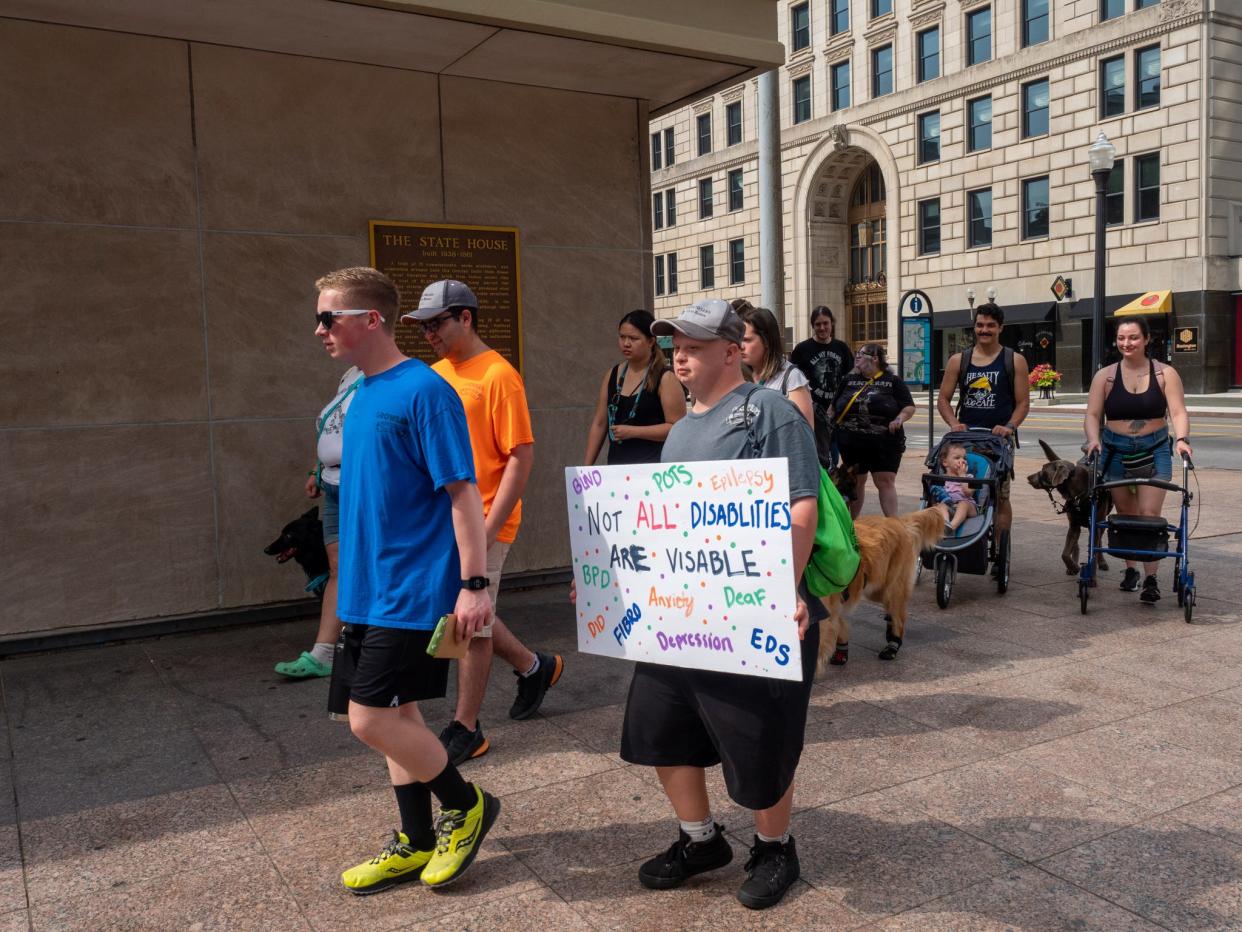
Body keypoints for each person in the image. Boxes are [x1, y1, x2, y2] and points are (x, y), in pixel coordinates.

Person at [621, 298, 823, 910]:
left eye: (694, 344)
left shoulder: (768, 413)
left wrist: (782, 589)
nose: (679, 353)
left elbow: (801, 506)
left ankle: (774, 847)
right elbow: (663, 525)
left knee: (759, 737)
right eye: (674, 343)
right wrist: (616, 578)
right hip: (679, 615)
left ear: (732, 351)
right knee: (661, 728)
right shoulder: (681, 429)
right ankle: (699, 839)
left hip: (753, 611)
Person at [314, 267, 498, 895]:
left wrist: (474, 584)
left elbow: (463, 492)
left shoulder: (425, 391)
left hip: (410, 590)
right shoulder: (362, 393)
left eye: (328, 318)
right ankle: (416, 841)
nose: (319, 330)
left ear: (370, 320)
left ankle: (465, 805)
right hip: (366, 590)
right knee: (400, 715)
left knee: (369, 720)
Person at [407, 279, 563, 765]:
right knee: (471, 612)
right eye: (424, 325)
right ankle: (534, 666)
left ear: (466, 317)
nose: (429, 332)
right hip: (442, 521)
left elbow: (521, 456)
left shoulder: (498, 375)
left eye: (437, 323)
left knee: (469, 625)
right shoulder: (434, 375)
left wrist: (491, 529)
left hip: (485, 518)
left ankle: (466, 727)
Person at [1084, 316, 1192, 604]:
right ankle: (1131, 570)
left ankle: (1151, 578)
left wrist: (1181, 439)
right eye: (1121, 338)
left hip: (1153, 447)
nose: (1126, 343)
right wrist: (1093, 439)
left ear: (1146, 339)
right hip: (1115, 449)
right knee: (1126, 514)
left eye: (1133, 337)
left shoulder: (1165, 374)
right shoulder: (1105, 376)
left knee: (1148, 515)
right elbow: (1093, 415)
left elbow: (1178, 411)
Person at [274, 365, 362, 678]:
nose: (323, 332)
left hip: (362, 481)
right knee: (337, 567)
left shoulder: (392, 372)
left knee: (375, 563)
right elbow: (333, 428)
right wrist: (316, 469)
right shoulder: (350, 374)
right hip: (333, 482)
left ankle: (387, 644)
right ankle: (323, 653)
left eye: (330, 322)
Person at [936, 302, 1030, 539]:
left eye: (990, 325)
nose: (984, 330)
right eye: (980, 325)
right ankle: (962, 529)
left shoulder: (1014, 360)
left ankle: (1000, 546)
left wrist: (1009, 426)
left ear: (1001, 328)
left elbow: (1023, 404)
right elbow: (944, 400)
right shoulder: (959, 360)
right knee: (959, 486)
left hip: (999, 441)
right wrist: (953, 423)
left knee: (1000, 495)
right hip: (967, 440)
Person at [584, 310, 686, 466]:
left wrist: (633, 432)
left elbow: (678, 429)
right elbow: (599, 423)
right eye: (622, 337)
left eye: (633, 338)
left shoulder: (665, 378)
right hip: (616, 471)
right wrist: (586, 468)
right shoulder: (613, 374)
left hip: (653, 473)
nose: (626, 343)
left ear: (651, 341)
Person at [832, 343, 916, 518]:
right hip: (852, 444)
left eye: (861, 354)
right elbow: (833, 407)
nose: (857, 357)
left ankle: (894, 526)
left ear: (875, 358)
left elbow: (909, 407)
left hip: (884, 445)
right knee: (855, 482)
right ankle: (852, 527)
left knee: (884, 481)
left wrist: (899, 419)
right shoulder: (848, 380)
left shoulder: (893, 381)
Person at [789, 305, 852, 466]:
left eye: (825, 323)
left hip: (837, 414)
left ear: (832, 324)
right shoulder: (802, 349)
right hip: (813, 414)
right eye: (818, 324)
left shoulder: (841, 348)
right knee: (819, 459)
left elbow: (850, 379)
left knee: (835, 459)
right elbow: (790, 378)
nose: (822, 328)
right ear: (813, 326)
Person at [737, 305, 815, 431]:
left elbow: (805, 433)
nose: (740, 346)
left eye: (747, 340)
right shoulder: (742, 376)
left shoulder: (792, 378)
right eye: (739, 340)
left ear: (767, 341)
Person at [929, 443, 978, 534]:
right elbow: (935, 496)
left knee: (964, 504)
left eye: (964, 458)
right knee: (940, 506)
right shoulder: (941, 479)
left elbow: (968, 493)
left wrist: (962, 475)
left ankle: (952, 527)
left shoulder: (970, 477)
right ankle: (945, 524)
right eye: (957, 458)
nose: (962, 461)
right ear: (945, 462)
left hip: (969, 508)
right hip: (950, 507)